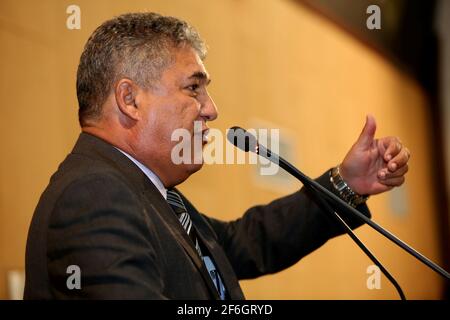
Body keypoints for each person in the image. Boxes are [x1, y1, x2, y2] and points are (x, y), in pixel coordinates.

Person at [24, 12, 410, 299]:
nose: (211, 109)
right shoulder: (94, 196)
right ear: (130, 100)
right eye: (194, 88)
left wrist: (345, 184)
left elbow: (242, 244)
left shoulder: (144, 191)